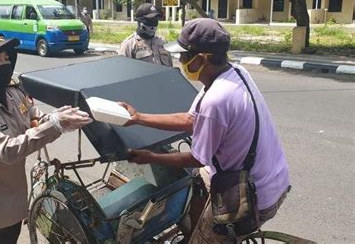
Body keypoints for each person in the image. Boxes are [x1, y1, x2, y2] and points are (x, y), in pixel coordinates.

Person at [120, 18, 290, 242]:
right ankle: (196, 221)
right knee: (200, 179)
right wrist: (139, 118)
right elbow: (191, 119)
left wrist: (152, 157)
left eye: (183, 56)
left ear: (200, 59)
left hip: (253, 198)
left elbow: (198, 158)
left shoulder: (216, 101)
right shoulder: (235, 73)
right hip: (274, 180)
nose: (179, 60)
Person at [0, 31, 92, 243]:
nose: (4, 63)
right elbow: (8, 150)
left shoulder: (13, 91)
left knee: (12, 236)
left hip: (14, 191)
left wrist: (58, 118)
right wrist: (55, 126)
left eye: (6, 57)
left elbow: (34, 116)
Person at [117, 3, 173, 67]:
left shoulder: (162, 42)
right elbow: (122, 71)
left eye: (155, 19)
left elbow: (170, 68)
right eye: (150, 20)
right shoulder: (129, 45)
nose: (153, 24)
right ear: (140, 21)